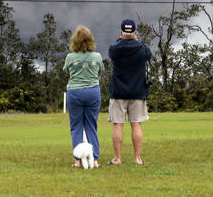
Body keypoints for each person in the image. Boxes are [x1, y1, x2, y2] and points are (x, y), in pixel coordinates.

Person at [107, 19, 152, 165]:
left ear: (121, 32)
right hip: (137, 92)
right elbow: (148, 54)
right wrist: (135, 40)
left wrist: (123, 39)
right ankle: (137, 158)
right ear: (135, 32)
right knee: (136, 124)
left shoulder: (114, 48)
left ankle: (117, 158)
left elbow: (112, 53)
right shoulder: (142, 49)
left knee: (117, 125)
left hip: (118, 92)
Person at [63, 25, 104, 168]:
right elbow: (101, 70)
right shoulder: (97, 56)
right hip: (93, 91)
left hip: (75, 92)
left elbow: (66, 71)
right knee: (91, 125)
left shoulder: (70, 57)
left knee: (76, 127)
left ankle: (78, 160)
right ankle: (95, 159)